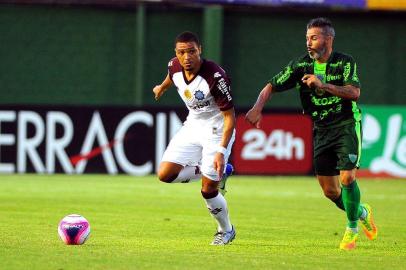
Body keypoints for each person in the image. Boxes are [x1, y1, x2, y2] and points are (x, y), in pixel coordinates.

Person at [245, 18, 377, 250]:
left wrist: (322, 84)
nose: (309, 43)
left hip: (346, 125)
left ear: (328, 39)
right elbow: (271, 85)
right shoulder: (300, 66)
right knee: (330, 191)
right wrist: (257, 107)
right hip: (321, 130)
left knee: (347, 178)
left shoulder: (344, 62)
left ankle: (351, 230)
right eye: (307, 38)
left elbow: (354, 92)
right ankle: (363, 211)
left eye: (314, 38)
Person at [152, 31, 236, 245]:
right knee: (165, 174)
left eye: (192, 51)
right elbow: (172, 77)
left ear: (200, 50)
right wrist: (161, 87)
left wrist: (221, 151)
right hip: (193, 124)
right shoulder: (174, 66)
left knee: (208, 190)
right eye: (182, 52)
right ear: (176, 54)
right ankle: (217, 172)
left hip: (217, 128)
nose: (187, 57)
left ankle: (225, 230)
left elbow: (230, 118)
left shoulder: (214, 77)